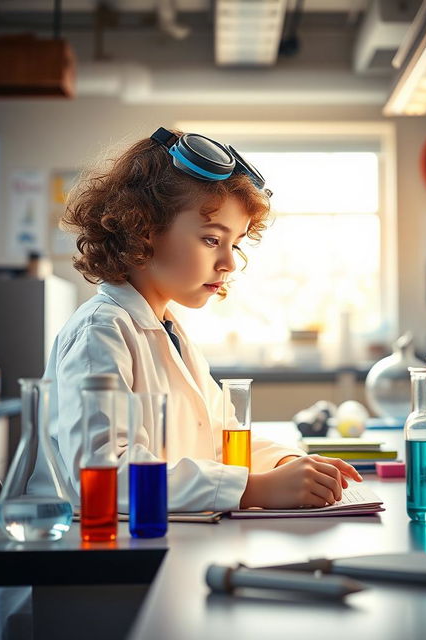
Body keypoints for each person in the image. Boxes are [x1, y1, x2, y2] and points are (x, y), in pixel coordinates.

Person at [29, 127, 363, 513]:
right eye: (210, 239)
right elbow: (103, 476)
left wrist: (288, 464)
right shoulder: (100, 332)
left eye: (234, 242)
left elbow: (223, 438)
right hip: (95, 559)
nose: (229, 262)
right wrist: (251, 491)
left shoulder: (169, 331)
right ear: (144, 229)